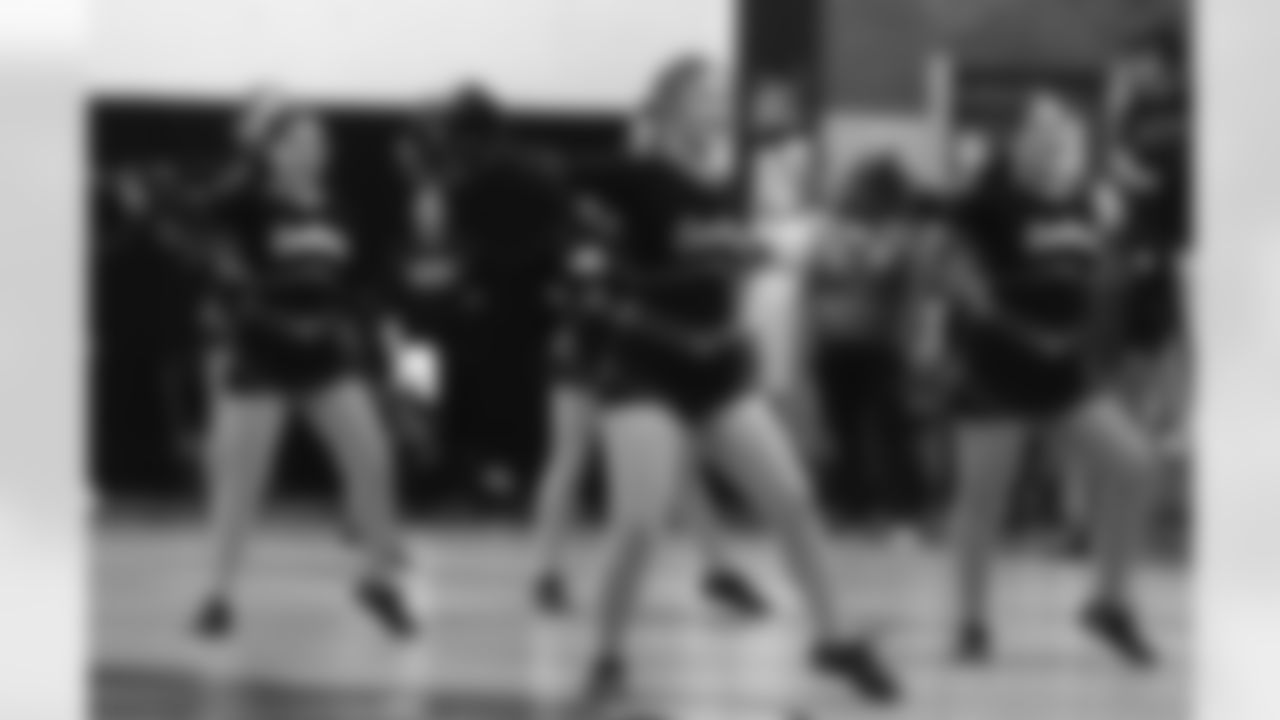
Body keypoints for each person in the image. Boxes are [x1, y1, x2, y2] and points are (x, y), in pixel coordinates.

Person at [572, 55, 899, 706]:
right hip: (646, 367)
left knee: (793, 500)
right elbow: (562, 194)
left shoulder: (727, 184)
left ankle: (832, 638)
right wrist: (587, 249)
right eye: (705, 96)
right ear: (670, 107)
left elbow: (732, 254)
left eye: (723, 96)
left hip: (717, 369)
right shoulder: (636, 176)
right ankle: (606, 655)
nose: (721, 106)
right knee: (640, 524)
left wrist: (790, 249)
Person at [935, 92, 1161, 667]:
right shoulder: (986, 201)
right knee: (983, 499)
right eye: (1042, 128)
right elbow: (951, 271)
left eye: (1063, 129)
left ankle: (1108, 604)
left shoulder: (1086, 201)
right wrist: (1008, 322)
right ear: (1017, 139)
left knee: (1134, 464)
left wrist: (1121, 239)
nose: (1054, 138)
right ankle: (970, 622)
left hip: (1062, 371)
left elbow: (1096, 272)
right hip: (994, 368)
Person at [191, 101, 415, 639]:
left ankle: (377, 580)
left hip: (323, 352)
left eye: (321, 140)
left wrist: (366, 328)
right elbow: (204, 223)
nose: (316, 150)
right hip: (261, 351)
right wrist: (246, 159)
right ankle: (218, 595)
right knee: (243, 481)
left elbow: (343, 279)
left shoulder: (335, 206)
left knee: (373, 460)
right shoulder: (246, 201)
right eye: (300, 140)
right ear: (271, 150)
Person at [529, 118, 767, 620]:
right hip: (590, 348)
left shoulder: (659, 215)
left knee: (674, 463)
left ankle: (719, 567)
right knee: (572, 454)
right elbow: (580, 287)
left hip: (634, 347)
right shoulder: (591, 218)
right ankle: (547, 571)